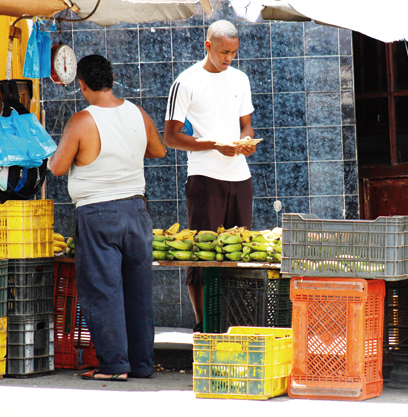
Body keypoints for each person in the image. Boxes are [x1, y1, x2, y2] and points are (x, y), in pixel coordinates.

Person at [49, 54, 167, 381]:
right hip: (136, 212)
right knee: (137, 291)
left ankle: (114, 366)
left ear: (82, 84)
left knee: (103, 291)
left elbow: (57, 168)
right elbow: (159, 151)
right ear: (113, 79)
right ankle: (141, 364)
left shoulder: (81, 121)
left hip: (98, 214)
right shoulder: (138, 113)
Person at [164, 20, 256, 333]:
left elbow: (246, 124)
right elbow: (171, 138)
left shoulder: (240, 79)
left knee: (239, 252)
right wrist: (216, 144)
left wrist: (245, 142)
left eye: (233, 52)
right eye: (223, 51)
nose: (229, 57)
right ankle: (203, 323)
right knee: (203, 254)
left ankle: (236, 323)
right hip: (204, 178)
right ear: (207, 46)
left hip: (240, 178)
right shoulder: (186, 82)